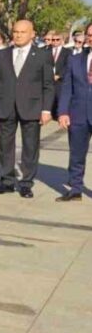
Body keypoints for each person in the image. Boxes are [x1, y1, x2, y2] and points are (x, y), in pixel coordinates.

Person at [0, 20, 54, 198]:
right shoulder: (1, 55)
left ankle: (26, 183)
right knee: (4, 146)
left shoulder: (42, 55)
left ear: (32, 34)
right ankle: (6, 181)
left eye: (23, 32)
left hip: (31, 107)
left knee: (30, 147)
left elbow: (48, 84)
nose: (18, 35)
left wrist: (46, 109)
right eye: (15, 31)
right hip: (5, 105)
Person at [55, 22, 92, 202]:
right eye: (89, 34)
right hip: (78, 114)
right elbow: (67, 88)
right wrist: (63, 112)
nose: (91, 38)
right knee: (76, 153)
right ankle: (75, 189)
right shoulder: (75, 59)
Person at [45, 30, 71, 120]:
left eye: (57, 40)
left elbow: (68, 65)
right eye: (53, 40)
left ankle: (60, 114)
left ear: (61, 40)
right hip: (48, 79)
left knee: (60, 97)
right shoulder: (45, 50)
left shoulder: (67, 52)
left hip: (60, 80)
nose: (55, 42)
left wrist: (59, 75)